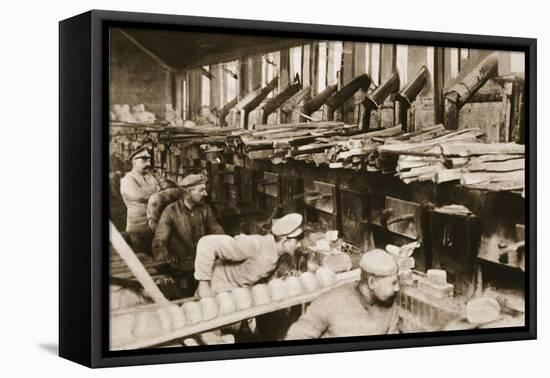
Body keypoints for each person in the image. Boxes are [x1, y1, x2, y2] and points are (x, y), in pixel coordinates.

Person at [285, 249, 401, 340]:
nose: (398, 288)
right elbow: (296, 337)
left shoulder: (390, 305)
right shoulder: (331, 301)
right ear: (372, 282)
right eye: (393, 283)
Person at [194, 213, 304, 297]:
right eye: (297, 240)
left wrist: (284, 279)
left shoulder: (278, 254)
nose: (299, 245)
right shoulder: (255, 245)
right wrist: (204, 284)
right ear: (285, 240)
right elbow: (207, 243)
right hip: (215, 291)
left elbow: (260, 276)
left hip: (236, 295)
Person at [152, 174, 224, 293]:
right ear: (188, 192)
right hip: (181, 267)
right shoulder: (171, 211)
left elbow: (216, 229)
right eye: (201, 190)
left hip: (203, 264)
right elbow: (160, 240)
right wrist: (165, 257)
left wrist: (225, 245)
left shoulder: (205, 209)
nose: (205, 193)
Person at [119, 146, 159, 232]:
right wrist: (155, 190)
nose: (148, 164)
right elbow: (139, 195)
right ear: (134, 162)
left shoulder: (150, 177)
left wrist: (152, 190)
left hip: (152, 226)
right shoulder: (127, 179)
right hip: (136, 228)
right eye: (144, 160)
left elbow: (159, 192)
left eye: (148, 160)